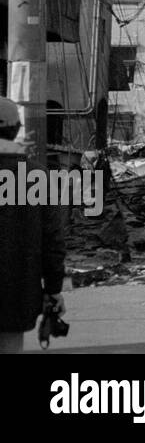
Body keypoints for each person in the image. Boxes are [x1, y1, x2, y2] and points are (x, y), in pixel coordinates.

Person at [0, 97, 66, 353]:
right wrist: (53, 289)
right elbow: (52, 239)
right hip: (16, 289)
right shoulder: (37, 177)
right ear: (17, 129)